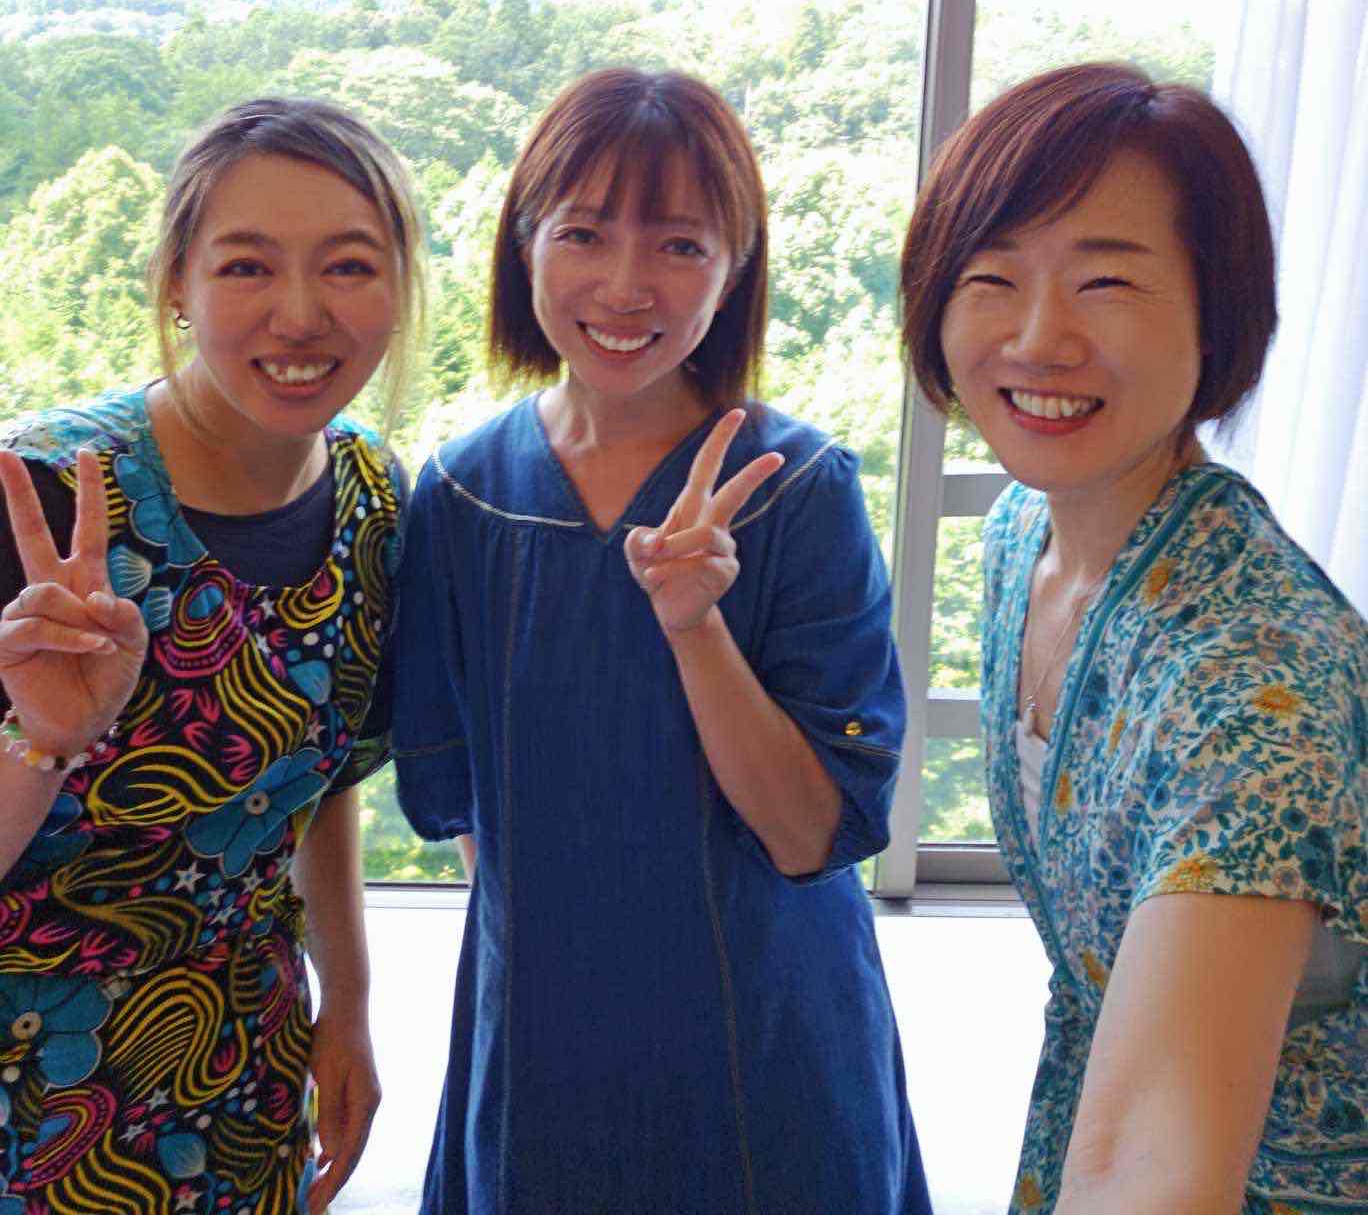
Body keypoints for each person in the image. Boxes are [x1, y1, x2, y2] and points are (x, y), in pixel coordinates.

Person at [390, 67, 930, 1215]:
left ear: (734, 271)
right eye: (584, 233)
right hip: (542, 1041)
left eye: (681, 245)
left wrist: (696, 630)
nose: (627, 286)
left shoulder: (799, 489)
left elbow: (809, 834)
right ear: (524, 245)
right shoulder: (463, 495)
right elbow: (473, 817)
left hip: (764, 1029)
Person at [899, 61, 1367, 1215]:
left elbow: (1155, 1173)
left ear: (1217, 314)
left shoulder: (1255, 694)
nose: (1038, 338)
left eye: (1106, 281)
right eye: (992, 278)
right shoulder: (1024, 537)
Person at [0, 96, 424, 1215]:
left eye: (348, 267)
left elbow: (328, 785)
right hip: (31, 1088)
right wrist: (43, 742)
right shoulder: (43, 499)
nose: (301, 315)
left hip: (243, 1072)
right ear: (177, 285)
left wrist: (349, 1007)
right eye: (246, 267)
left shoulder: (374, 499)